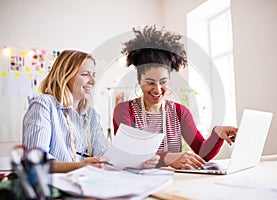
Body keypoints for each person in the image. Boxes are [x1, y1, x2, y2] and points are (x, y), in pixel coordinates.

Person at [113, 25, 238, 169]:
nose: (157, 89)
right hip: (138, 181)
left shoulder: (179, 112)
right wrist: (168, 157)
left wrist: (217, 133)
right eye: (150, 82)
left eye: (163, 82)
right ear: (139, 80)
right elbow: (130, 152)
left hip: (173, 180)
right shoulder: (123, 110)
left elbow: (202, 153)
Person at [22, 50, 158, 173]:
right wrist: (81, 166)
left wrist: (137, 162)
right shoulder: (43, 105)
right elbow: (35, 163)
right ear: (65, 76)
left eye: (93, 75)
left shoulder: (91, 115)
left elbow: (105, 157)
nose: (93, 81)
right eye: (85, 74)